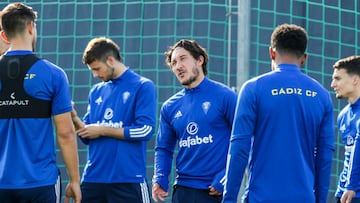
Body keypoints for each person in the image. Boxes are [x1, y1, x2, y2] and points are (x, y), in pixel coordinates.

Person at [222, 23, 335, 203]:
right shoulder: (322, 95)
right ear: (304, 58)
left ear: (272, 53)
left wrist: (228, 199)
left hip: (261, 197)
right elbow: (325, 156)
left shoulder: (253, 88)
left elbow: (239, 148)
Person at [0, 2, 81, 203]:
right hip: (40, 183)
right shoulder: (54, 74)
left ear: (5, 34)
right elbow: (66, 133)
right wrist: (75, 181)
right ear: (30, 27)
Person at [71, 36, 157, 203]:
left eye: (97, 69)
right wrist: (73, 116)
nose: (95, 75)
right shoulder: (96, 91)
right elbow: (86, 135)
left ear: (110, 60)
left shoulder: (142, 86)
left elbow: (145, 130)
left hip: (128, 179)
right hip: (93, 179)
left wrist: (103, 130)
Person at [152, 39, 237, 203]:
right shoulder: (170, 107)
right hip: (183, 190)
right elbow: (163, 147)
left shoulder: (225, 96)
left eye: (183, 59)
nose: (178, 66)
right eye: (174, 63)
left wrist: (226, 176)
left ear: (200, 60)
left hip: (215, 191)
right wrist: (160, 177)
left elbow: (246, 140)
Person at [331, 55, 360, 203]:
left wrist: (353, 186)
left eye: (338, 78)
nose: (332, 84)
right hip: (344, 193)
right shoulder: (343, 115)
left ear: (355, 79)